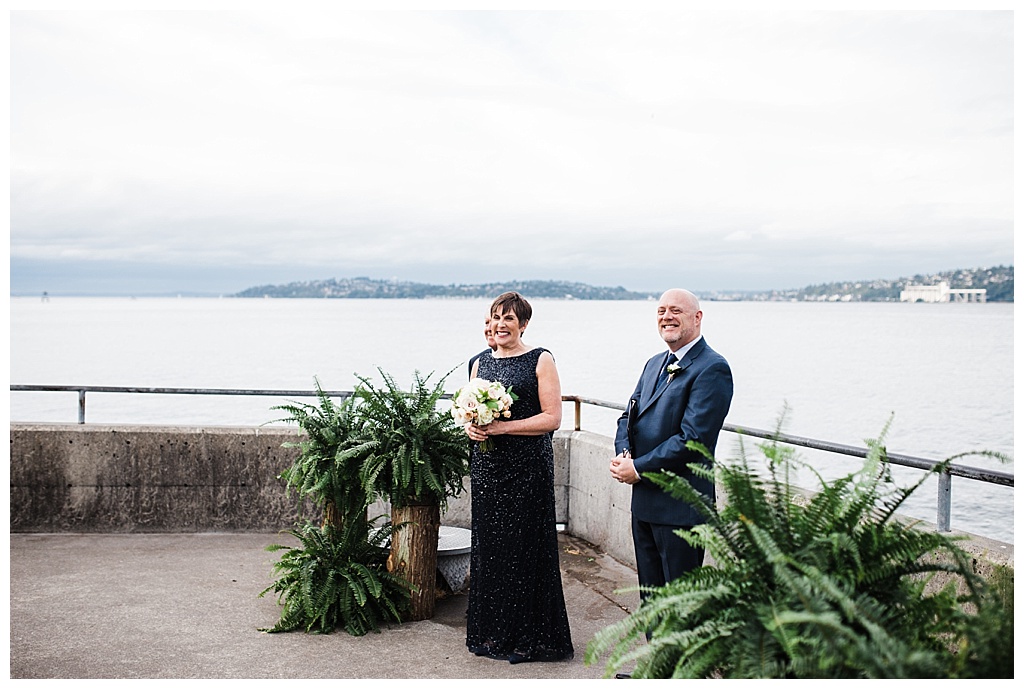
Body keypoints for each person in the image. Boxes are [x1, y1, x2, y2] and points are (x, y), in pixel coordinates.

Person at [463, 291, 574, 664]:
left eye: (508, 319)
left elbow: (552, 418)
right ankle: (491, 633)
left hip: (527, 471)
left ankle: (532, 638)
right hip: (488, 470)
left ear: (523, 324)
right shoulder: (478, 363)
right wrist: (474, 430)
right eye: (495, 317)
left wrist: (501, 428)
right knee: (491, 549)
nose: (500, 325)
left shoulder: (541, 359)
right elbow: (469, 415)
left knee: (526, 550)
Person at [610, 288, 733, 599]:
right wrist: (624, 454)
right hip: (645, 504)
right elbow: (628, 417)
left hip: (682, 509)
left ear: (697, 317)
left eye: (676, 310)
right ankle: (657, 650)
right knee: (650, 599)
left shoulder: (712, 368)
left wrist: (637, 468)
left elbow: (693, 439)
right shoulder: (654, 363)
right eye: (661, 311)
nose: (667, 317)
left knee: (680, 604)